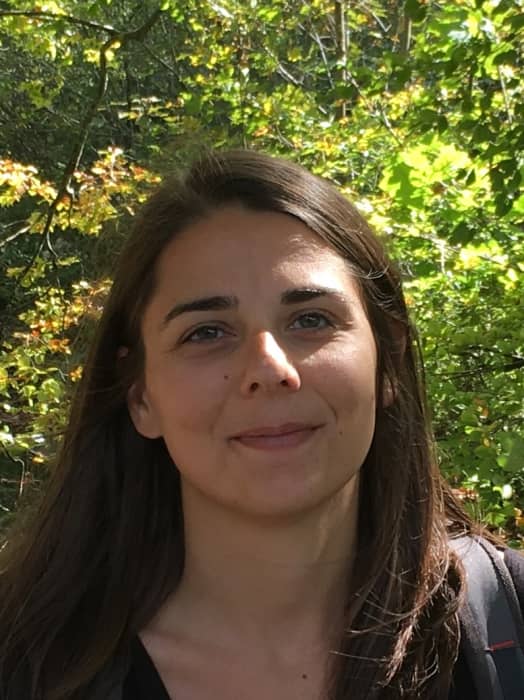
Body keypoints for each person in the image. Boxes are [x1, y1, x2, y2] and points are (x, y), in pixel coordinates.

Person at [0, 150, 522, 700]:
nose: (270, 369)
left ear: (387, 362)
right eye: (206, 332)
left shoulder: (505, 624)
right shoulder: (22, 664)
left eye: (311, 319)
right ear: (140, 394)